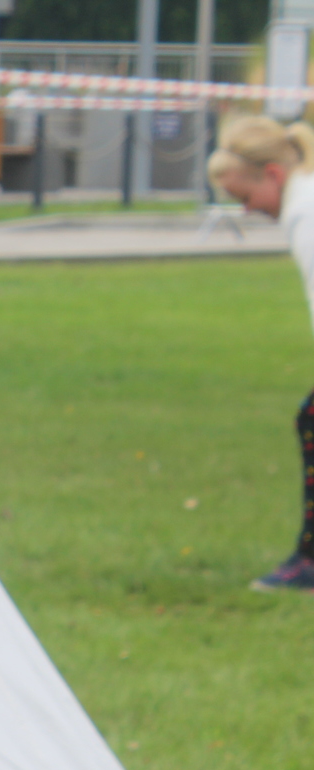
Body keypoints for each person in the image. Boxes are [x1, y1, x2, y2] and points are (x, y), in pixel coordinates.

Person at [209, 115, 314, 592]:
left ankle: (310, 562)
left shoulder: (305, 214)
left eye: (244, 198)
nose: (247, 211)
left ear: (273, 174)